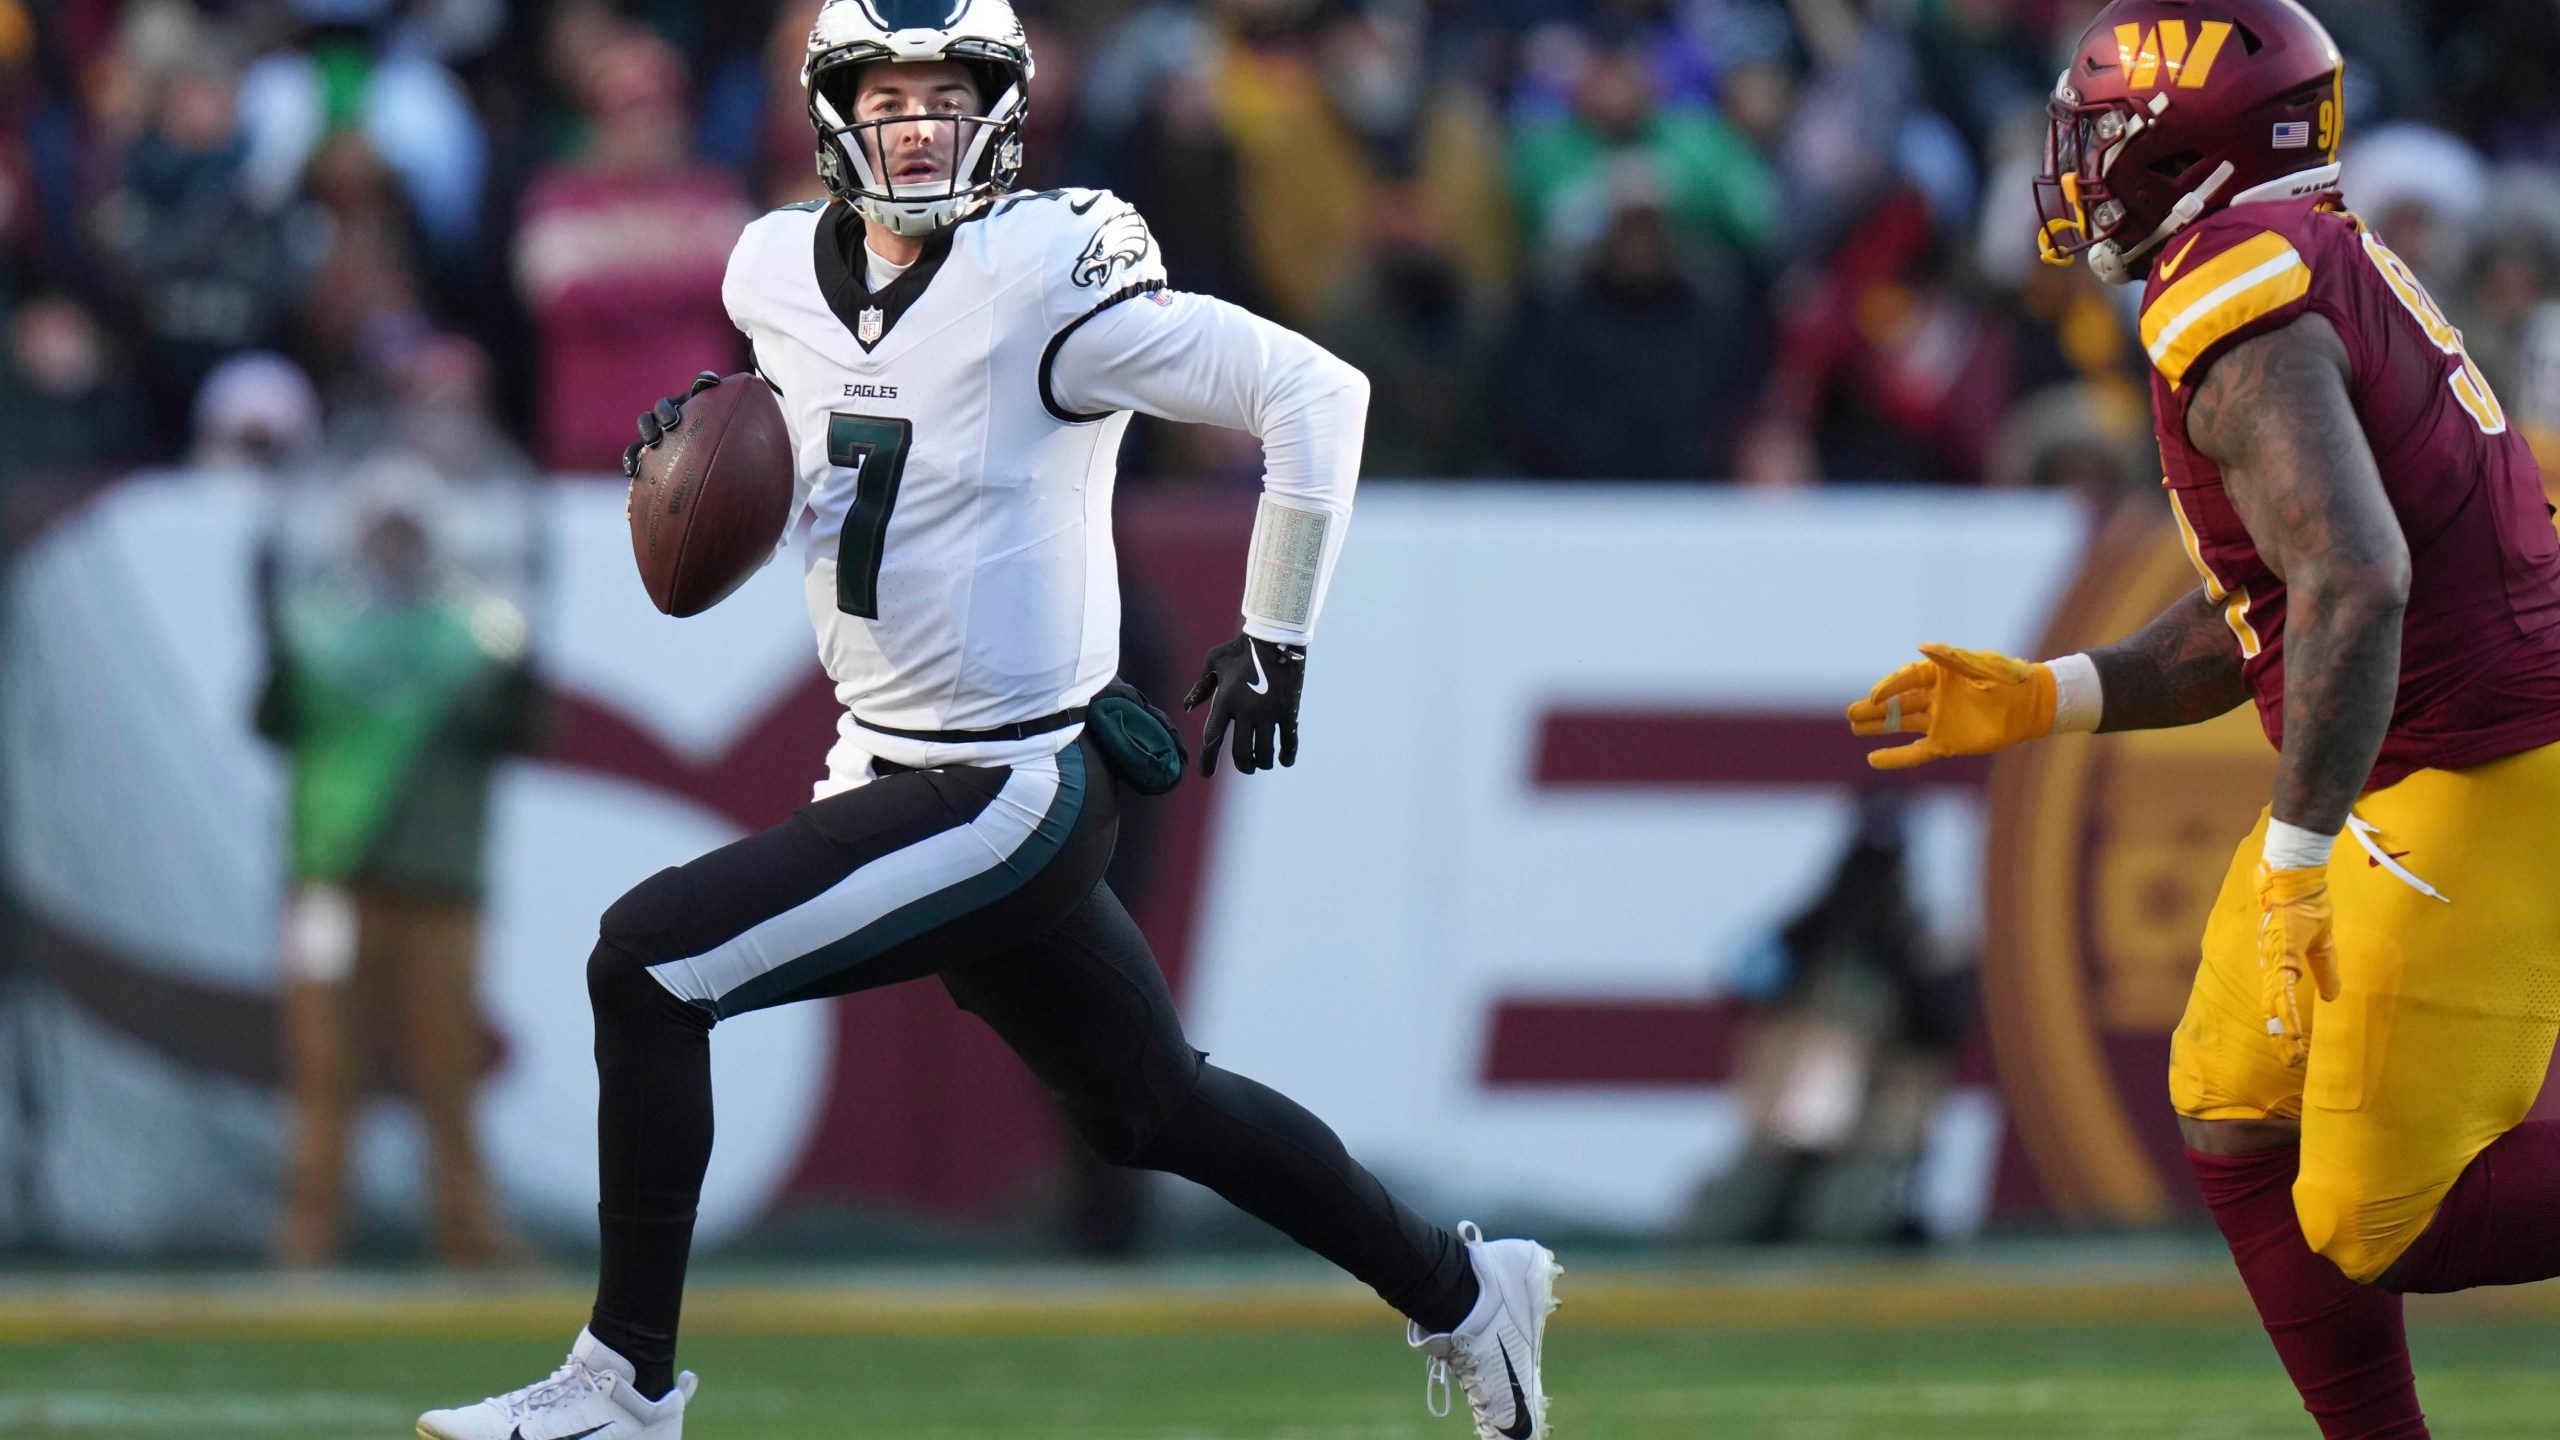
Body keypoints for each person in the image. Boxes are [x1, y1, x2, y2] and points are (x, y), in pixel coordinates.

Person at [416, 4, 1559, 1439]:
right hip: (880, 758)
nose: (916, 124)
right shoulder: (772, 266)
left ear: (1002, 112)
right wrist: (734, 502)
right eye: (885, 94)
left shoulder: (1042, 271)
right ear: (831, 112)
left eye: (946, 95)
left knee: (649, 962)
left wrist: (1277, 629)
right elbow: (855, 489)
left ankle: (623, 1382)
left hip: (1010, 787)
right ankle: (1465, 1291)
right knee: (1153, 1108)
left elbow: (1314, 390)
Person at [1850, 4, 2560, 1436]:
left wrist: (2299, 860)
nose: (2075, 163)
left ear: (2187, 151)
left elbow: (2355, 578)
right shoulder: (2290, 254)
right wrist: (2052, 695)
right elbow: (2291, 600)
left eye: (2101, 133)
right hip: (2431, 746)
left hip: (2472, 765)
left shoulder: (2225, 287)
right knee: (2234, 1103)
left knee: (2384, 1219)